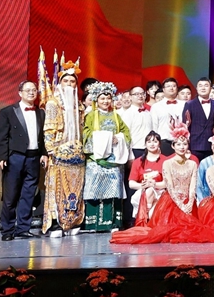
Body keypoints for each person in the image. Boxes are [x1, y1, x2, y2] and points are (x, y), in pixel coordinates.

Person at [111, 121, 213, 244]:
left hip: (188, 201)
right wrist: (181, 205)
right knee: (169, 230)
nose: (182, 147)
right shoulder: (167, 163)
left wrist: (190, 201)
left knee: (194, 231)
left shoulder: (192, 163)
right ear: (173, 146)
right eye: (178, 144)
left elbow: (192, 186)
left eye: (184, 144)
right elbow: (169, 186)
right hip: (172, 200)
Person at [0, 81, 48, 241]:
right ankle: (7, 230)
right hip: (15, 157)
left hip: (34, 157)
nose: (31, 93)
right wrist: (2, 157)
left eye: (34, 90)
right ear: (20, 93)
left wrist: (44, 153)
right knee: (10, 196)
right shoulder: (8, 112)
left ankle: (23, 228)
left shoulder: (41, 113)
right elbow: (1, 137)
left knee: (28, 195)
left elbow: (43, 137)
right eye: (28, 90)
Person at [42, 56, 86, 237]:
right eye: (66, 81)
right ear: (60, 83)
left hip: (77, 154)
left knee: (75, 189)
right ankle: (55, 223)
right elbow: (49, 128)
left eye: (72, 82)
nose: (69, 84)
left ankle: (73, 221)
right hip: (59, 152)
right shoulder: (53, 103)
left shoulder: (79, 105)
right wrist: (51, 150)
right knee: (56, 189)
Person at [81, 82, 130, 232]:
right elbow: (86, 134)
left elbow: (126, 133)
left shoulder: (116, 116)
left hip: (113, 159)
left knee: (113, 190)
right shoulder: (90, 116)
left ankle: (112, 223)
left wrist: (119, 138)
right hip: (96, 159)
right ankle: (93, 223)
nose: (105, 101)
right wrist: (107, 138)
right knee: (94, 190)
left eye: (108, 98)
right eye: (102, 98)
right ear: (96, 99)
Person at [127, 131, 167, 227]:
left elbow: (167, 183)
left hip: (160, 191)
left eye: (155, 141)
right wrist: (144, 185)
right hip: (143, 191)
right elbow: (131, 183)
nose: (152, 144)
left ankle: (146, 219)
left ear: (159, 144)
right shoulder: (138, 162)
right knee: (148, 191)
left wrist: (154, 184)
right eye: (149, 142)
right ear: (145, 144)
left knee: (150, 191)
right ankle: (146, 219)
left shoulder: (166, 161)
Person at [183, 77, 214, 162]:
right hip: (194, 146)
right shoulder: (189, 104)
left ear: (210, 88)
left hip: (211, 146)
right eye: (200, 86)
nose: (203, 88)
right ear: (196, 88)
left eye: (206, 85)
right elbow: (185, 126)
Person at [151, 77, 185, 156]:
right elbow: (154, 126)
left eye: (174, 86)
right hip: (164, 143)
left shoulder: (184, 105)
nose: (171, 88)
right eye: (168, 86)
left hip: (181, 143)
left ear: (177, 89)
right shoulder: (156, 106)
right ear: (163, 89)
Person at [119, 87, 153, 160]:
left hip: (149, 149)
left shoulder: (148, 113)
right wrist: (130, 155)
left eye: (142, 94)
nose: (140, 96)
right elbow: (125, 135)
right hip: (135, 150)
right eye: (136, 94)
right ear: (130, 97)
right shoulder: (128, 114)